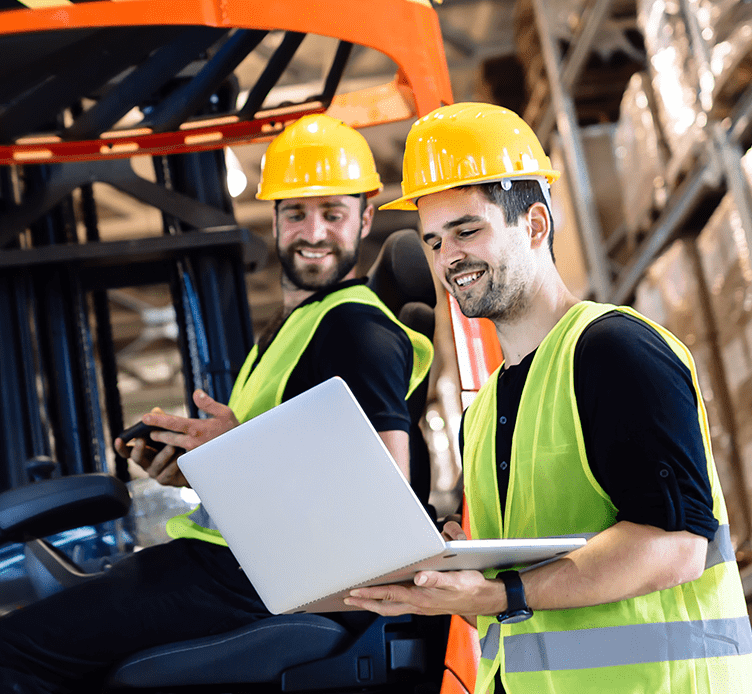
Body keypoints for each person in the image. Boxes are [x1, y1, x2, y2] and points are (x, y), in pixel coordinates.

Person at [0, 114, 433, 693]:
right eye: (295, 213)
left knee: (15, 652)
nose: (312, 232)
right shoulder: (291, 330)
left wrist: (236, 455)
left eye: (332, 213)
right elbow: (287, 476)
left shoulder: (357, 331)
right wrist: (204, 465)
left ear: (366, 217)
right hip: (237, 561)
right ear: (275, 218)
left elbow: (382, 514)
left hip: (251, 578)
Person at [344, 102, 752, 693]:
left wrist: (500, 590)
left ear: (535, 225)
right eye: (433, 242)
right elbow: (512, 602)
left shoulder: (613, 350)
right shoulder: (481, 414)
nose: (447, 258)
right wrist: (454, 576)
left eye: (467, 230)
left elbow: (676, 548)